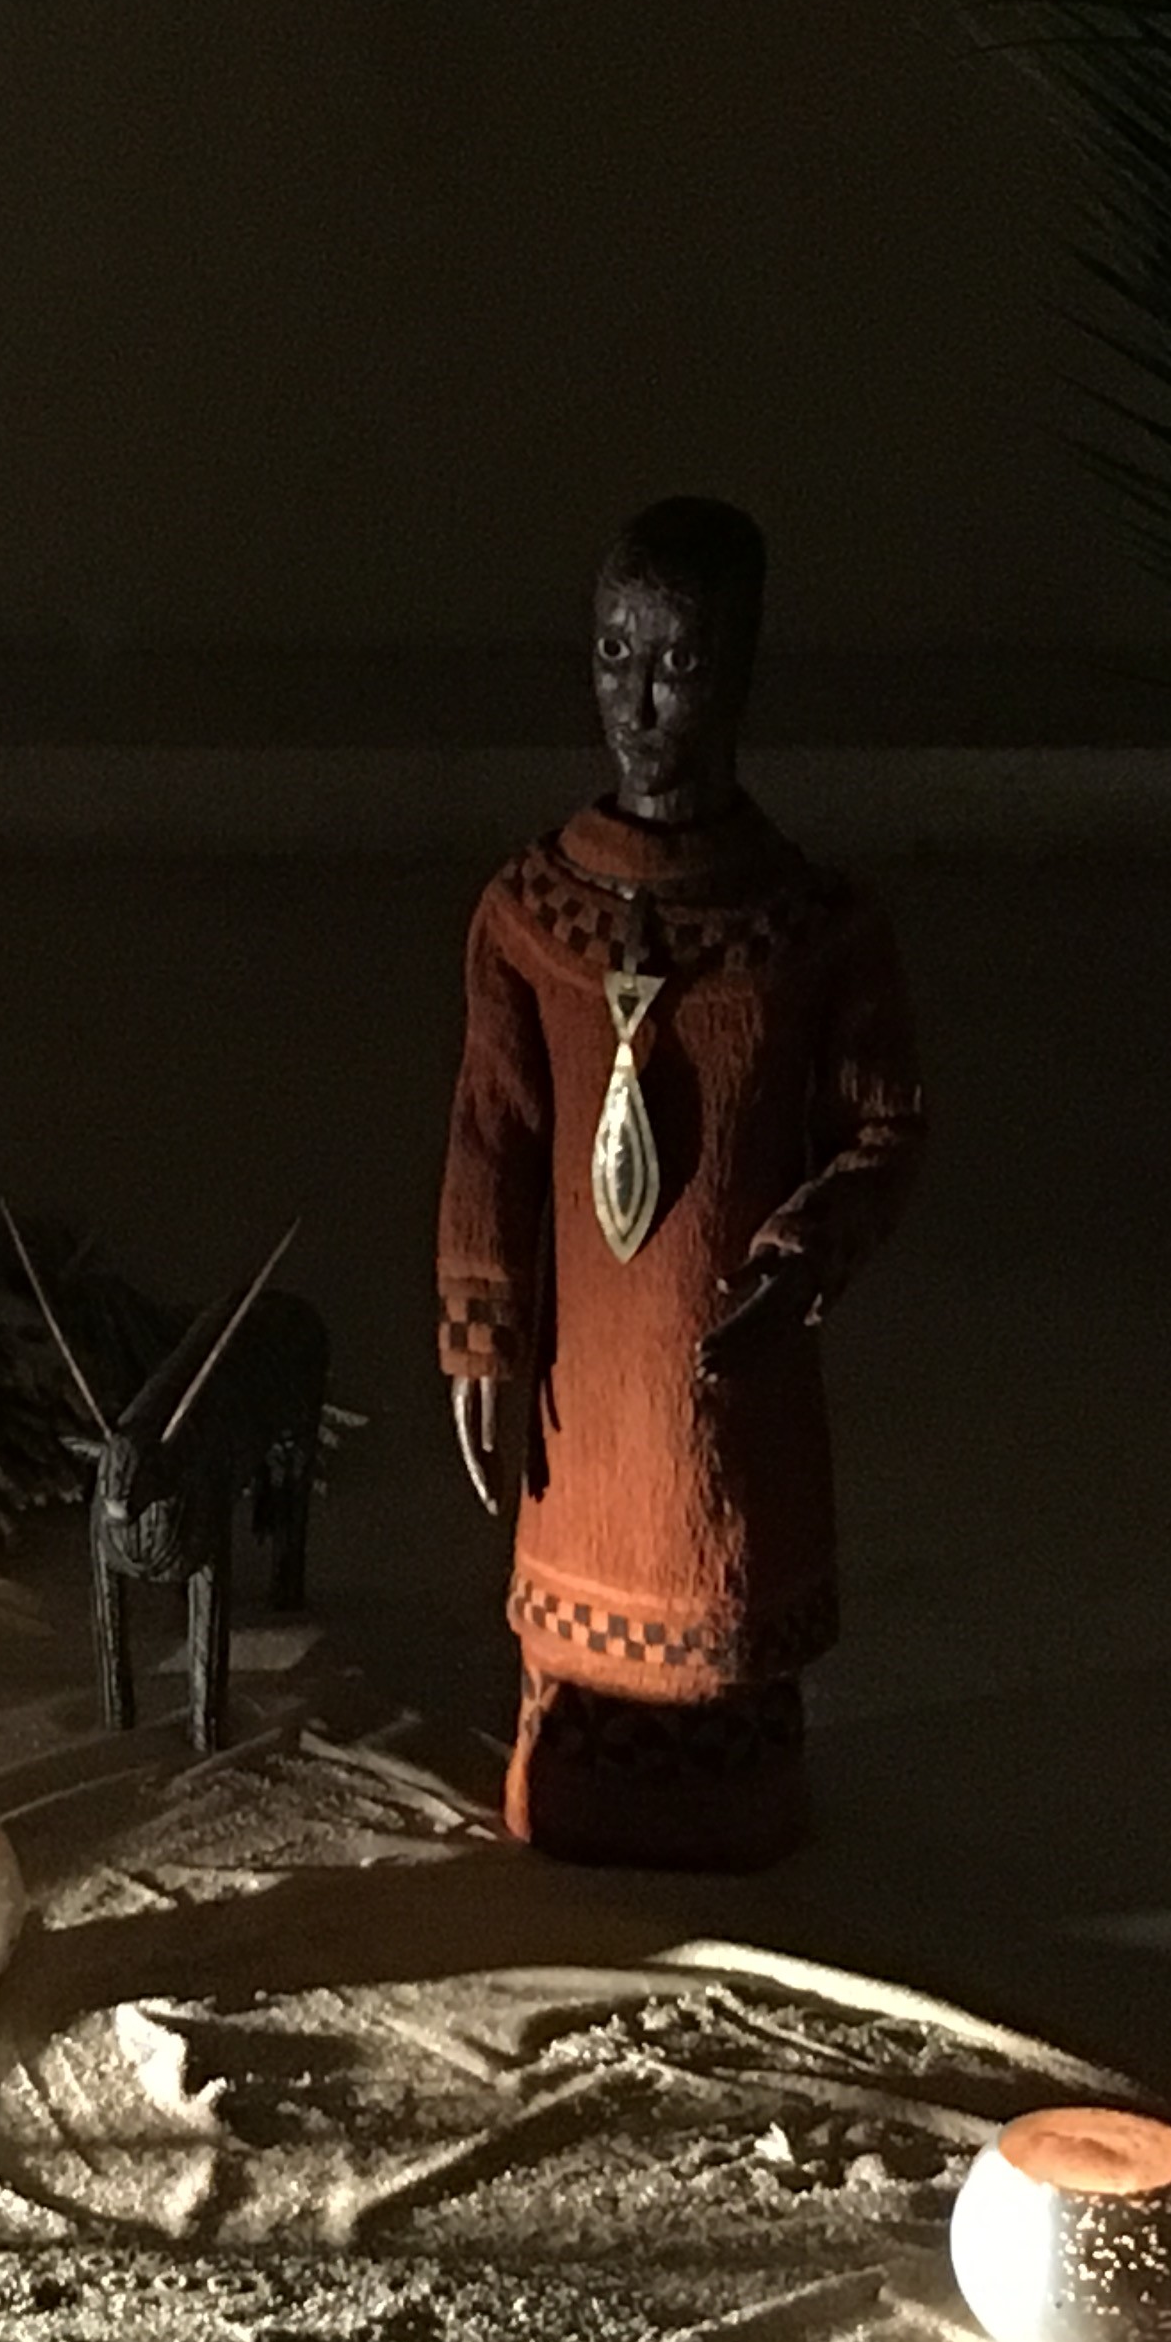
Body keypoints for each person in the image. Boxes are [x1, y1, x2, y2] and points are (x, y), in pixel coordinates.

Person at [436, 499, 925, 1868]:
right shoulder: (531, 917)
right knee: (587, 1615)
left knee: (717, 1575)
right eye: (611, 654)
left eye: (679, 663)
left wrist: (801, 1253)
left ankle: (727, 1796)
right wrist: (478, 1326)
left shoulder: (812, 931)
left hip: (728, 1373)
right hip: (581, 1381)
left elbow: (885, 1130)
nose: (639, 700)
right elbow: (495, 1131)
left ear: (742, 671)